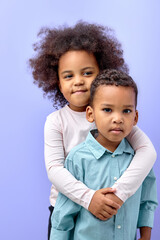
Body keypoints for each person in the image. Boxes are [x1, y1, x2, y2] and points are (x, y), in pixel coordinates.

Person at [29, 22, 156, 239]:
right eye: (68, 76)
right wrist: (89, 198)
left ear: (102, 73)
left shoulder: (115, 119)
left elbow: (148, 153)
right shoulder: (56, 121)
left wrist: (120, 194)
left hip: (112, 208)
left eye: (87, 73)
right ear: (57, 83)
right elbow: (55, 169)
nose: (78, 81)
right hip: (65, 207)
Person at [50, 69, 158, 240]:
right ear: (90, 114)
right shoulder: (78, 158)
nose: (118, 118)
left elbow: (147, 202)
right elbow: (63, 216)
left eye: (127, 111)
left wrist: (145, 235)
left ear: (136, 117)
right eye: (108, 110)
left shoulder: (139, 159)